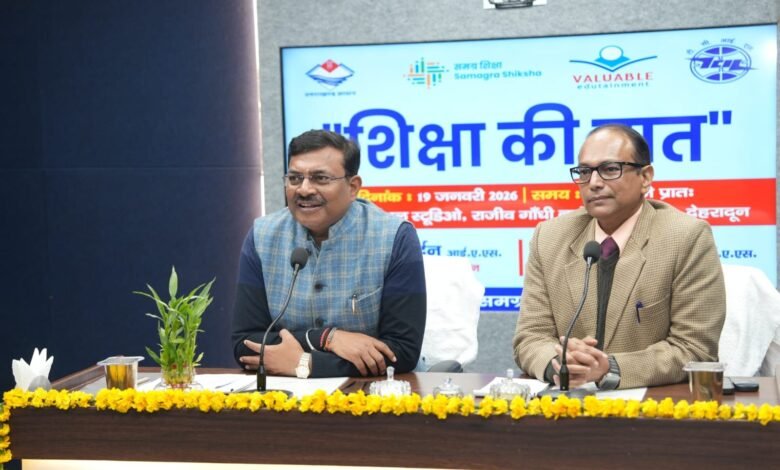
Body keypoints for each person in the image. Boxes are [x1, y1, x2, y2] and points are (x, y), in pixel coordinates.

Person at [513, 124, 725, 390]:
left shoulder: (686, 237)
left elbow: (694, 348)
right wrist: (560, 364)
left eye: (610, 169)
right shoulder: (550, 237)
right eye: (584, 172)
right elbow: (530, 337)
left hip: (651, 405)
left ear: (645, 177)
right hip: (566, 403)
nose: (594, 182)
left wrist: (609, 368)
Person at [232, 129, 426, 378]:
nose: (304, 189)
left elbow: (402, 352)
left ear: (353, 187)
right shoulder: (263, 236)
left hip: (372, 392)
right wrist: (326, 338)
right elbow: (245, 343)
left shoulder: (395, 237)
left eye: (320, 178)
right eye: (294, 178)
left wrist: (306, 365)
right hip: (284, 394)